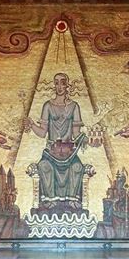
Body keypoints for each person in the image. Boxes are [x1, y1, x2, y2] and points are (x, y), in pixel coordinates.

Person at [24, 73, 92, 212]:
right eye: (56, 83)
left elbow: (76, 133)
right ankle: (50, 202)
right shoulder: (48, 106)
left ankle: (72, 202)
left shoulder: (74, 106)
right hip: (51, 153)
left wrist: (87, 140)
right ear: (54, 85)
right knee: (43, 166)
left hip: (69, 153)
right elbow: (43, 132)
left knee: (77, 168)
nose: (59, 86)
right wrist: (31, 124)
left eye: (62, 82)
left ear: (67, 85)